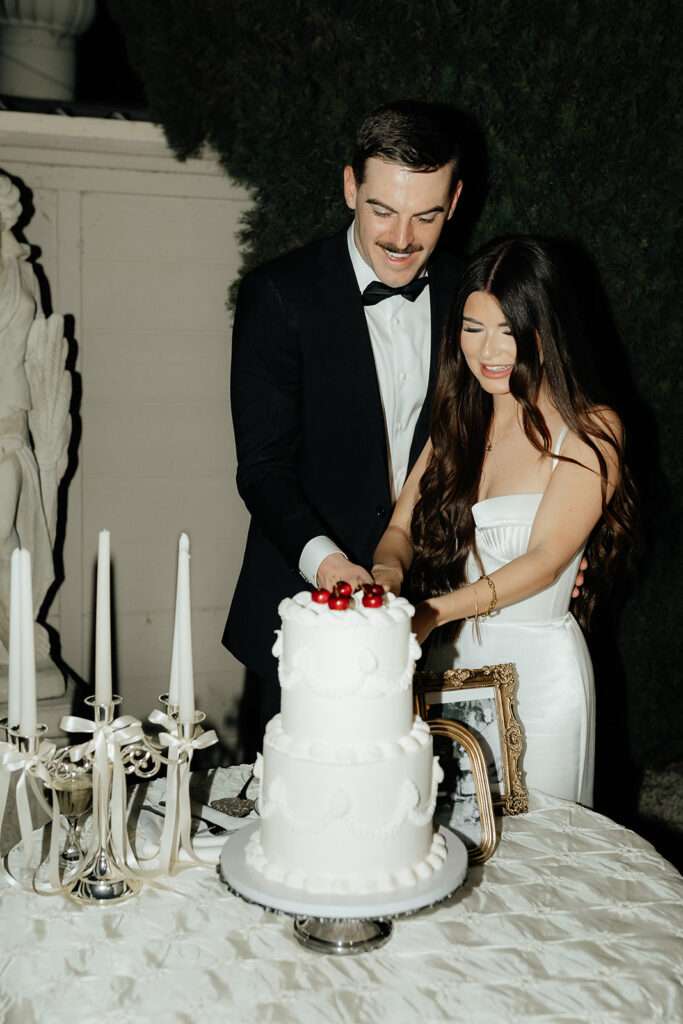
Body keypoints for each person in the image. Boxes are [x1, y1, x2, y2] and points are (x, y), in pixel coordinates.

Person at [223, 101, 466, 732]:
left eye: (426, 215)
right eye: (383, 209)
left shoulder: (475, 294)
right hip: (306, 606)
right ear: (350, 186)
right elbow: (263, 469)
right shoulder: (280, 296)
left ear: (456, 201)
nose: (402, 239)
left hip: (438, 603)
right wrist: (331, 570)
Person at [372, 236, 637, 806]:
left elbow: (543, 563)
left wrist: (435, 611)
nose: (488, 350)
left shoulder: (591, 430)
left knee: (538, 862)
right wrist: (386, 579)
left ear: (545, 330)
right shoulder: (456, 425)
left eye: (508, 330)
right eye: (472, 328)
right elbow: (399, 532)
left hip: (537, 678)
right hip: (444, 668)